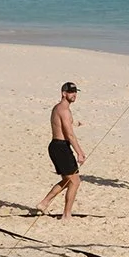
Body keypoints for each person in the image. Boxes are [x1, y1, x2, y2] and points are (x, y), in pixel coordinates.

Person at [38, 83, 87, 218]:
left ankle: (44, 203)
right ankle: (66, 214)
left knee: (67, 180)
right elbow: (69, 134)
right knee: (75, 182)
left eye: (75, 92)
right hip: (60, 147)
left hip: (57, 146)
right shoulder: (64, 110)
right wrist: (79, 152)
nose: (74, 94)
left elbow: (62, 125)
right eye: (71, 92)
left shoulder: (58, 108)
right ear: (63, 93)